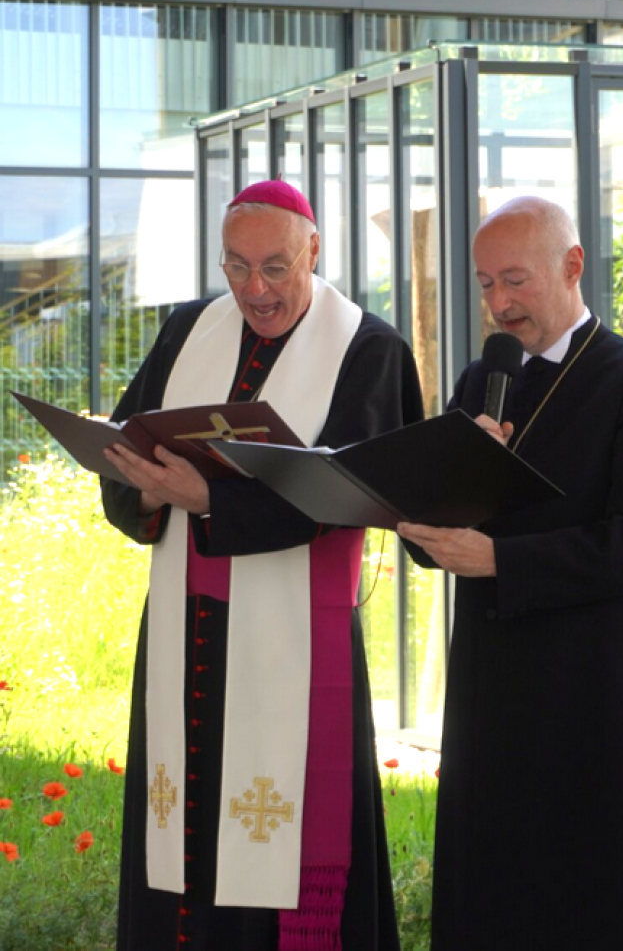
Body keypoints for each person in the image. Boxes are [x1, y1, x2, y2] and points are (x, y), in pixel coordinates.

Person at [102, 179, 423, 951]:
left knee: (281, 827)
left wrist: (208, 496)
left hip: (295, 643)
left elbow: (356, 491)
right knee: (179, 818)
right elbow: (126, 444)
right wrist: (144, 494)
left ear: (315, 250)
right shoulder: (189, 330)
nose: (255, 290)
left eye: (275, 267)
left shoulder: (369, 351)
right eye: (237, 267)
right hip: (188, 627)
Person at [398, 196, 623, 951]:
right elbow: (432, 537)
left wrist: (499, 559)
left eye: (516, 281)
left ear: (572, 266)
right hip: (494, 677)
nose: (499, 303)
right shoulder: (478, 384)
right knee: (492, 880)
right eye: (486, 283)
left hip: (595, 681)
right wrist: (432, 500)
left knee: (595, 887)